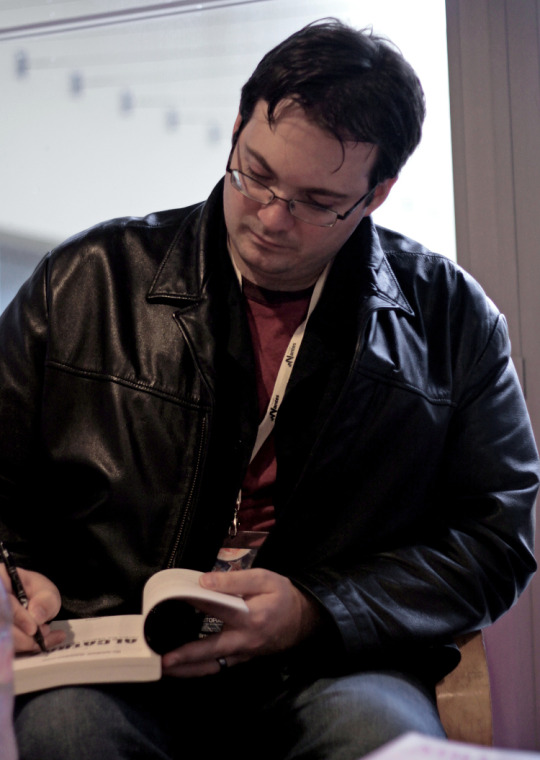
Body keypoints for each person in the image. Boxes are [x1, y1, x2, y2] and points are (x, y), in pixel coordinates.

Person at [0, 18, 538, 760]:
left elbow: (496, 540)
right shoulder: (86, 280)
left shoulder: (454, 319)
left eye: (316, 201)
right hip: (114, 653)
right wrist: (11, 580)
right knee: (69, 734)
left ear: (376, 194)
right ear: (236, 131)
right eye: (254, 173)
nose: (271, 218)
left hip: (331, 662)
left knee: (379, 741)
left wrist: (318, 611)